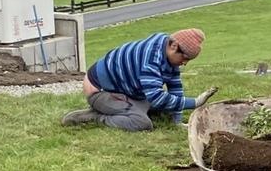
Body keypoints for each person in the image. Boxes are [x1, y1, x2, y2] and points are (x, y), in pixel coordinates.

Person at [62, 28, 216, 131]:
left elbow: (174, 86)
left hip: (127, 91)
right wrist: (194, 103)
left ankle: (126, 109)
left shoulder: (167, 53)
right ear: (174, 46)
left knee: (164, 109)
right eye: (185, 58)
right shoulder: (151, 58)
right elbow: (156, 98)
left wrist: (176, 121)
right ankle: (94, 117)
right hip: (101, 91)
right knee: (142, 122)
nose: (185, 63)